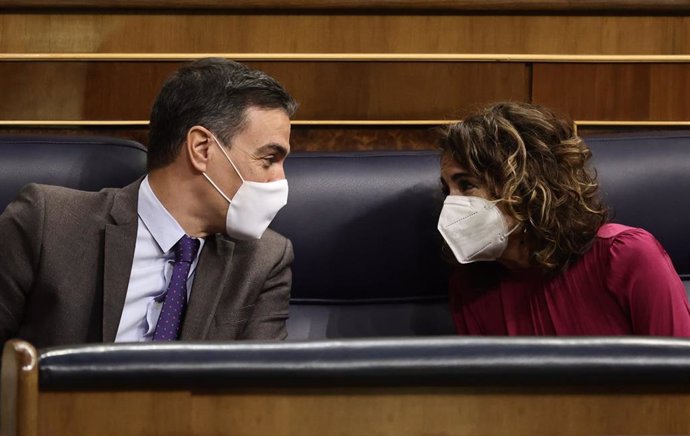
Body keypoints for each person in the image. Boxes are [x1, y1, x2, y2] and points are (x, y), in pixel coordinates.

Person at [0, 58, 298, 348]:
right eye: (269, 159)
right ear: (202, 148)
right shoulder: (48, 223)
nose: (280, 180)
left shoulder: (264, 260)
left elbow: (259, 389)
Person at [437, 101, 690, 336]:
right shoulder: (469, 286)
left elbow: (678, 373)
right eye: (448, 189)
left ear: (525, 184)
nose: (451, 203)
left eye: (466, 185)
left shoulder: (625, 256)